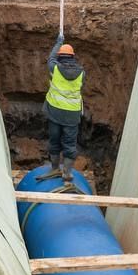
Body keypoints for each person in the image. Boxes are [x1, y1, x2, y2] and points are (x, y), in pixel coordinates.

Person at [44, 34, 84, 184]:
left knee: (54, 141)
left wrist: (59, 42)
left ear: (60, 57)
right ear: (73, 57)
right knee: (69, 143)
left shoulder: (55, 68)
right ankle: (67, 173)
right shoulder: (81, 73)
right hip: (72, 115)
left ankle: (54, 168)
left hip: (55, 112)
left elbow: (51, 59)